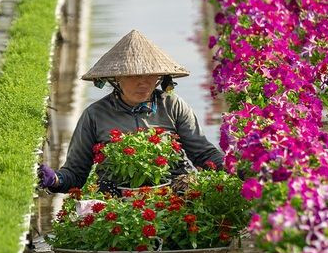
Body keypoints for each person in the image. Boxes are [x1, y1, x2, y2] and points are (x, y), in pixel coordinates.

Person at [38, 29, 224, 193]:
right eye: (134, 75)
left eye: (149, 75)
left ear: (159, 77)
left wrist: (234, 165)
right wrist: (55, 179)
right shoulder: (95, 115)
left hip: (174, 192)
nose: (143, 82)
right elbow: (76, 173)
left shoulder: (173, 106)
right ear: (117, 78)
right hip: (117, 198)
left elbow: (203, 155)